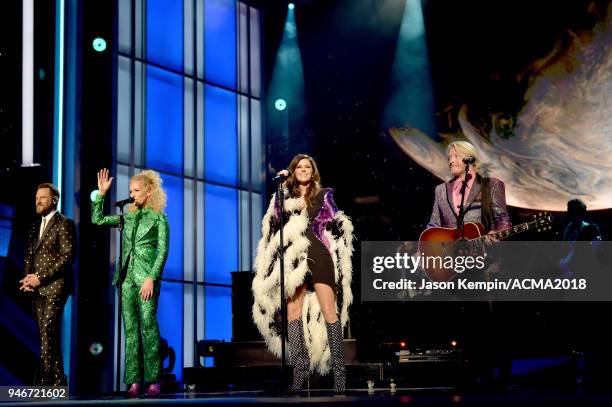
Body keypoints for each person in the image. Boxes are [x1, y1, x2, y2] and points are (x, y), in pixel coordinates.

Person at [252, 154, 354, 393]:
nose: (304, 170)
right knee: (293, 311)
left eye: (308, 167)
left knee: (330, 311)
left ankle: (339, 371)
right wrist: (281, 186)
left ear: (313, 171)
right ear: (293, 171)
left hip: (318, 252)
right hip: (293, 258)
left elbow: (333, 219)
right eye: (299, 167)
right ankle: (300, 367)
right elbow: (276, 219)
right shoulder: (284, 195)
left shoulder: (324, 194)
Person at [92, 168, 169, 397]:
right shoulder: (128, 217)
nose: (132, 194)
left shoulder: (159, 219)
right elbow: (97, 220)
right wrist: (101, 195)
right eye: (130, 191)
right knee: (131, 331)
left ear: (148, 192)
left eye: (136, 190)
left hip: (147, 279)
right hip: (126, 279)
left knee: (148, 325)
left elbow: (162, 251)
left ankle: (154, 379)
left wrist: (151, 278)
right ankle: (134, 381)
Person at [20, 183, 77, 386]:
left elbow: (67, 256)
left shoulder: (65, 223)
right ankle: (59, 379)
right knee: (46, 334)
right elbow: (29, 254)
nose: (37, 200)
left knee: (48, 328)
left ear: (54, 200)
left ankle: (44, 380)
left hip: (56, 286)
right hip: (37, 288)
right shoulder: (35, 225)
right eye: (36, 197)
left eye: (42, 197)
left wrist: (40, 278)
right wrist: (28, 279)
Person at [427, 140, 512, 237]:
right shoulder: (441, 190)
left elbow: (503, 221)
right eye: (449, 157)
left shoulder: (492, 185)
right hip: (451, 251)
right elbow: (434, 226)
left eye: (456, 156)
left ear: (470, 159)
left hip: (484, 250)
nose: (451, 161)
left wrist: (496, 235)